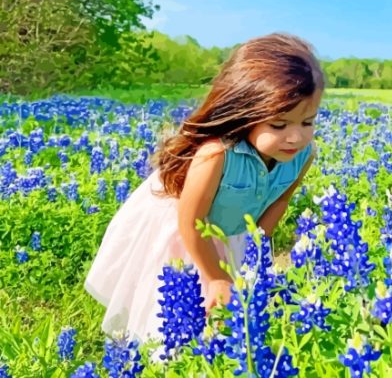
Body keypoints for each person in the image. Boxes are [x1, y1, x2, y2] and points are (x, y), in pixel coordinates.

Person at [84, 32, 325, 344]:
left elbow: (280, 200)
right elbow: (191, 220)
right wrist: (214, 276)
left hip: (232, 231)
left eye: (307, 122)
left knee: (229, 313)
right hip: (186, 231)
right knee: (175, 311)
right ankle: (160, 356)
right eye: (279, 125)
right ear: (245, 113)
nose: (295, 137)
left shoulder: (303, 155)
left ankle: (214, 354)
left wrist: (257, 252)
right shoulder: (215, 155)